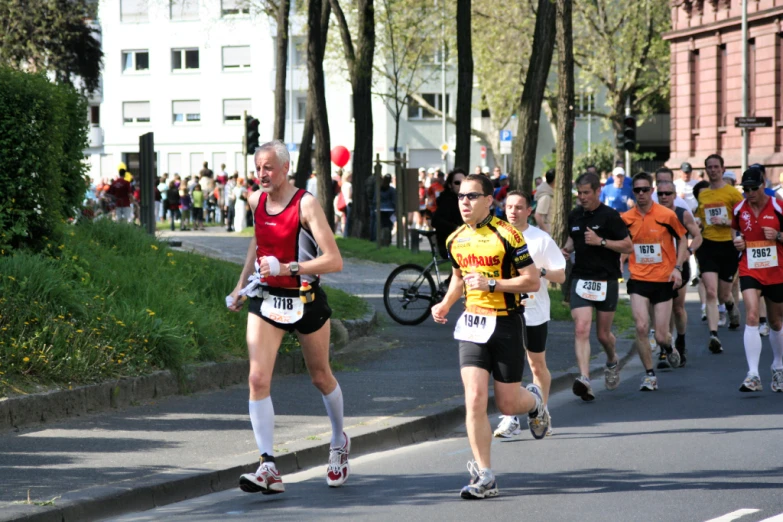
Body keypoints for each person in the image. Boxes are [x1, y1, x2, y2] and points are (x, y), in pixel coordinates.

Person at [229, 140, 348, 494]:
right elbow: (257, 241)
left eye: (268, 168)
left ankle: (339, 442)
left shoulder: (306, 204)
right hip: (267, 299)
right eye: (257, 168)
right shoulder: (255, 200)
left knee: (320, 376)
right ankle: (268, 465)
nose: (261, 175)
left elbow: (334, 260)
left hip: (305, 299)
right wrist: (240, 286)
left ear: (285, 168)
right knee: (256, 378)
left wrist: (290, 267)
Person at [431, 174, 548, 500]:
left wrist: (493, 285)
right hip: (472, 325)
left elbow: (532, 282)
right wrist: (444, 303)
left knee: (508, 402)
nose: (464, 202)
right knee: (475, 398)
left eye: (472, 196)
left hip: (507, 323)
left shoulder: (508, 235)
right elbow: (459, 279)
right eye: (460, 196)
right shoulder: (455, 239)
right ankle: (485, 475)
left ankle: (536, 401)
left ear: (488, 201)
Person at [494, 191, 566, 439]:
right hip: (504, 310)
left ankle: (541, 413)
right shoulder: (495, 236)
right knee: (507, 365)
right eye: (509, 206)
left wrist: (540, 271)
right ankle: (510, 418)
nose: (513, 211)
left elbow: (561, 275)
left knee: (536, 364)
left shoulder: (541, 239)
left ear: (528, 210)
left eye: (519, 207)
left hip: (534, 312)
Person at [561, 173, 633, 401]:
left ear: (597, 191)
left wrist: (601, 241)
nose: (582, 197)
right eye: (579, 193)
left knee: (603, 335)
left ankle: (612, 360)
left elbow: (628, 246)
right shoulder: (574, 215)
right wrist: (565, 251)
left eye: (586, 193)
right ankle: (585, 379)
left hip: (606, 280)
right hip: (581, 279)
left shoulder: (610, 216)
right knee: (581, 328)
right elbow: (573, 241)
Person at [621, 173, 689, 391]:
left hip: (663, 279)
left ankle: (668, 346)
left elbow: (683, 239)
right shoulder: (627, 218)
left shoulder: (666, 215)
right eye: (637, 190)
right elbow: (622, 243)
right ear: (633, 193)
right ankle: (649, 375)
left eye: (645, 190)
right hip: (639, 279)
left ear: (651, 191)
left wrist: (678, 268)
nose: (641, 194)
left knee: (661, 335)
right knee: (641, 327)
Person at [731, 168, 783, 392]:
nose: (749, 193)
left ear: (763, 185)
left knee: (776, 322)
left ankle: (778, 366)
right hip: (750, 268)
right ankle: (753, 374)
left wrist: (779, 235)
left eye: (753, 188)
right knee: (752, 314)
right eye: (746, 189)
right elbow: (735, 232)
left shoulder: (778, 205)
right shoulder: (739, 209)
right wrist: (738, 242)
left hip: (776, 269)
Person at [695, 153, 744, 353]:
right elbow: (700, 216)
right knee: (711, 292)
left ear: (722, 169)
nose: (713, 170)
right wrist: (698, 222)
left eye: (716, 167)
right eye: (709, 167)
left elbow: (743, 218)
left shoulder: (733, 193)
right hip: (707, 246)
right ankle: (714, 335)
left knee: (724, 294)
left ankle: (732, 307)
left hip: (728, 246)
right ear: (706, 170)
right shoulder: (703, 194)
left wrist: (726, 222)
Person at [656, 180, 702, 367]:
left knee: (677, 308)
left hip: (679, 268)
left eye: (668, 193)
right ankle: (665, 349)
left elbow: (698, 236)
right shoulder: (651, 215)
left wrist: (688, 253)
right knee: (660, 312)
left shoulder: (682, 214)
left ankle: (680, 341)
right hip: (657, 270)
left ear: (675, 195)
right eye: (661, 194)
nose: (664, 197)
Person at [534, 169, 555, 234]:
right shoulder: (545, 197)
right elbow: (538, 216)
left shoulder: (550, 193)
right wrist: (546, 232)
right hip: (548, 232)